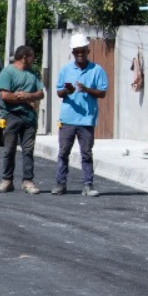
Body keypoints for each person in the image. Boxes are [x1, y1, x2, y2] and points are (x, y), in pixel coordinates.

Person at [53, 34, 109, 197]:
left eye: (82, 51)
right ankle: (60, 183)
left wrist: (87, 89)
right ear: (73, 52)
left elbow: (102, 92)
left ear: (88, 50)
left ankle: (88, 185)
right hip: (67, 119)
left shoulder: (97, 70)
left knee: (86, 153)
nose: (80, 54)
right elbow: (59, 92)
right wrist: (67, 91)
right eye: (76, 51)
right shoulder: (65, 70)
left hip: (86, 119)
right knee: (63, 152)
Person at [0, 45, 45, 194]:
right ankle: (7, 180)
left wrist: (28, 96)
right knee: (9, 149)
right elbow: (5, 96)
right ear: (25, 57)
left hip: (29, 117)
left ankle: (28, 181)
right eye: (32, 56)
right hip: (12, 116)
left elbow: (40, 93)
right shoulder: (7, 72)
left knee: (28, 150)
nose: (33, 59)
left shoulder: (33, 74)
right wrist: (22, 99)